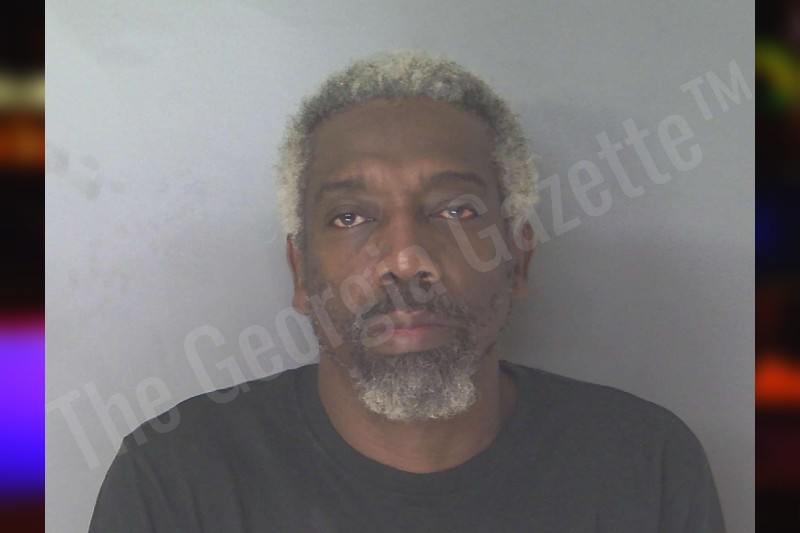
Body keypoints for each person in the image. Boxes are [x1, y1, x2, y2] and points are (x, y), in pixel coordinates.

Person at [89, 50, 726, 532]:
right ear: (300, 273)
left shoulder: (646, 465)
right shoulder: (173, 482)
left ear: (519, 260)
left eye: (456, 210)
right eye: (349, 217)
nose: (404, 259)